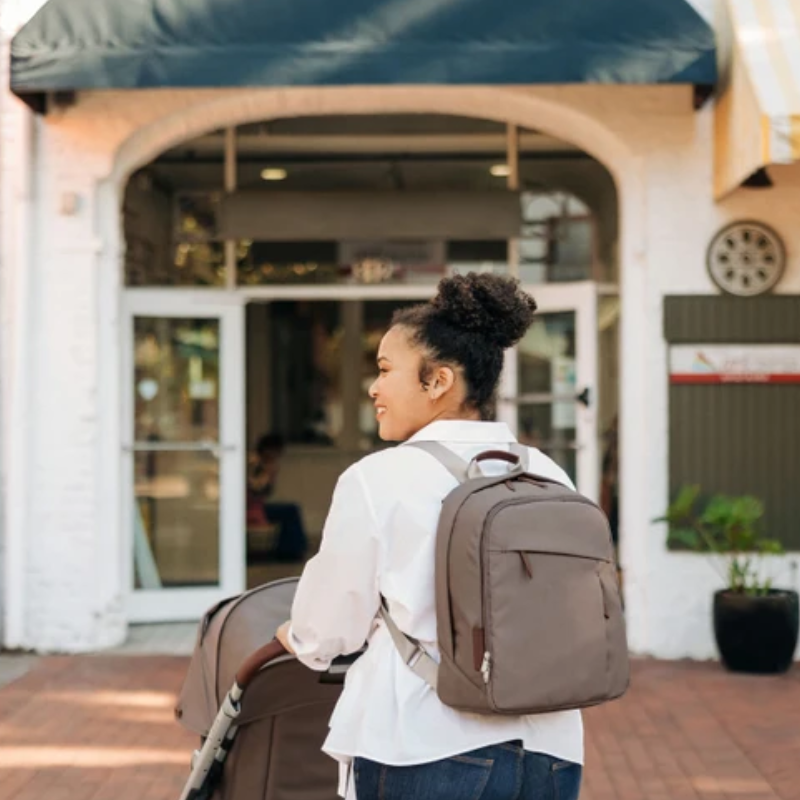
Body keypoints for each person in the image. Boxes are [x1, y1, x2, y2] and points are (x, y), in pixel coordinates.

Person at [276, 273, 583, 800]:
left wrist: (298, 637)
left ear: (438, 381)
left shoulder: (378, 479)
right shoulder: (547, 472)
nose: (373, 388)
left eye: (385, 370)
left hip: (426, 742)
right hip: (550, 746)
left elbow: (328, 628)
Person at [247, 433, 308, 562]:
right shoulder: (254, 463)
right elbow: (256, 488)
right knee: (290, 511)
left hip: (256, 504)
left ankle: (292, 548)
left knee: (290, 509)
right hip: (250, 507)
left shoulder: (263, 463)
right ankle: (290, 551)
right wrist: (268, 474)